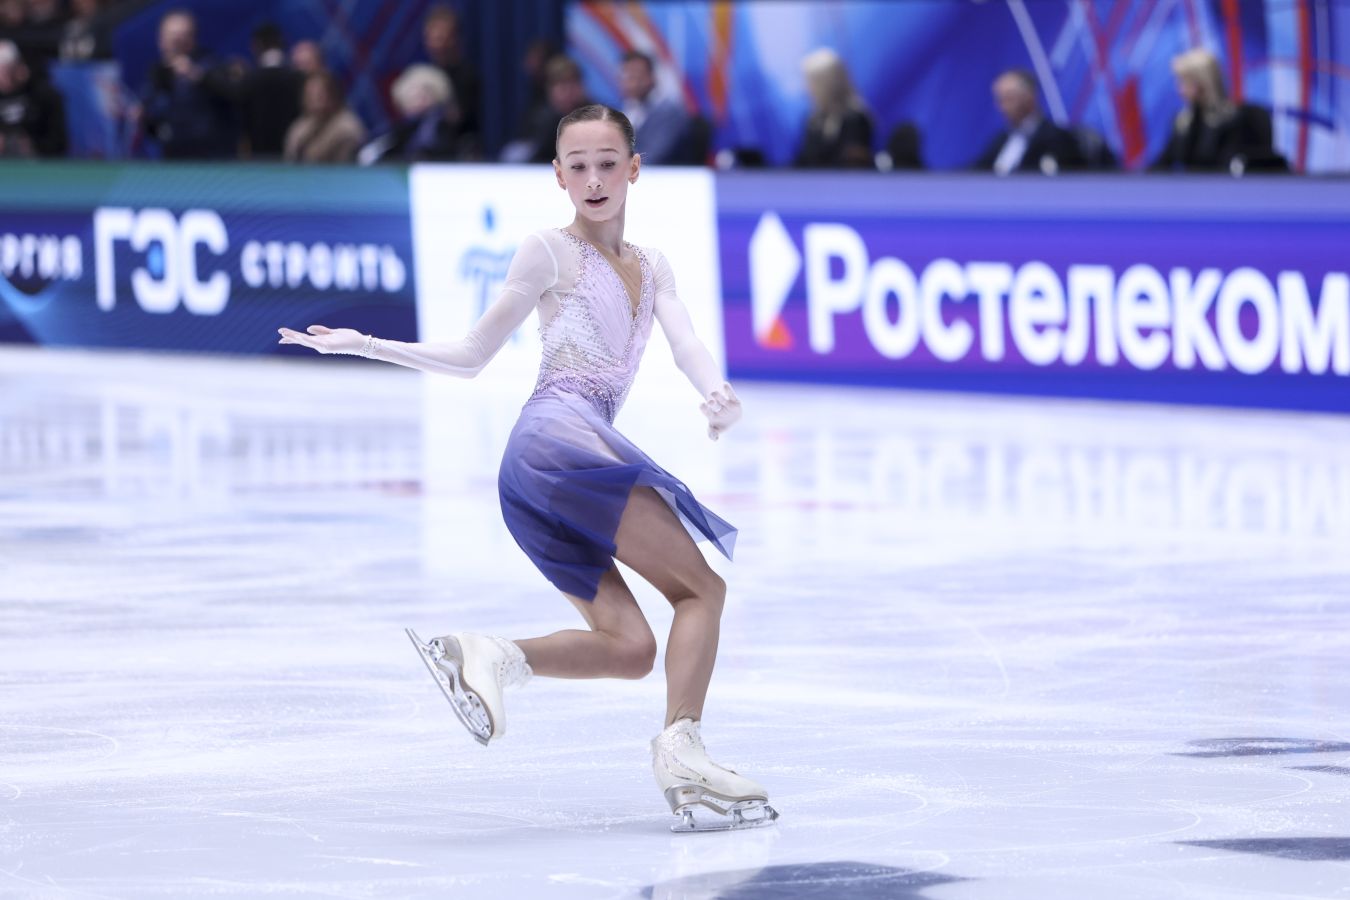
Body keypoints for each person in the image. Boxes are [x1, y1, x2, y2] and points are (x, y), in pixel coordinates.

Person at [278, 104, 778, 834]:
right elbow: (472, 355)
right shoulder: (548, 250)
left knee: (632, 648)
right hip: (558, 438)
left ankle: (489, 656)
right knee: (702, 590)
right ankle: (683, 751)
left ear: (634, 169)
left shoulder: (653, 267)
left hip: (538, 469)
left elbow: (686, 343)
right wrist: (368, 345)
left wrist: (715, 391)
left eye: (608, 163)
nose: (594, 179)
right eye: (578, 166)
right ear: (558, 176)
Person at [1151, 48, 1280, 173]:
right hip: (1192, 186)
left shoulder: (1235, 120)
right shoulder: (1182, 121)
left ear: (1202, 83)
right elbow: (1164, 162)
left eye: (1184, 82)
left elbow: (1232, 166)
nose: (1180, 89)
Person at [139, 10, 237, 159]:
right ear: (161, 41)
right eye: (171, 36)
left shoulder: (209, 64)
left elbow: (232, 94)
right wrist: (142, 115)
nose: (176, 42)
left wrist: (197, 75)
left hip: (211, 157)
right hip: (171, 157)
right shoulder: (157, 73)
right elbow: (152, 119)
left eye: (182, 35)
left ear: (193, 38)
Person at [357, 63, 473, 163]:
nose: (419, 100)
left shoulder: (442, 126)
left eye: (425, 94)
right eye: (413, 95)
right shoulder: (396, 132)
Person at [974, 69, 1081, 174]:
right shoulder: (1001, 139)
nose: (1003, 107)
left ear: (1029, 97)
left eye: (1009, 98)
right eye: (1000, 100)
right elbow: (975, 172)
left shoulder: (1058, 139)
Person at [793, 47, 874, 169]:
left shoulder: (856, 120)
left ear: (827, 84)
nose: (806, 89)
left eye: (811, 82)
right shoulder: (813, 121)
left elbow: (853, 164)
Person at [237, 22, 303, 160]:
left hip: (259, 155)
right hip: (293, 157)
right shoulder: (298, 78)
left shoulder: (250, 79)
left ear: (257, 45)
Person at [0, 39, 67, 158]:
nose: (3, 75)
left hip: (36, 160)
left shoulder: (43, 96)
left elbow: (58, 141)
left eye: (6, 69)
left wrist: (33, 144)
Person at [618, 50, 688, 165]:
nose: (631, 83)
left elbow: (652, 157)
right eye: (627, 76)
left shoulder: (669, 112)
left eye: (636, 76)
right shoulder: (630, 108)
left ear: (652, 77)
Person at [422, 5, 480, 140]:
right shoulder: (424, 75)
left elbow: (457, 117)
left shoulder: (467, 75)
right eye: (431, 37)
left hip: (458, 146)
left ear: (454, 39)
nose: (436, 44)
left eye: (441, 38)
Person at [283, 70, 365, 164]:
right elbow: (290, 160)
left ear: (333, 95)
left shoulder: (347, 128)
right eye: (309, 94)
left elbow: (343, 166)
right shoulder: (300, 126)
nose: (313, 99)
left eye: (319, 95)